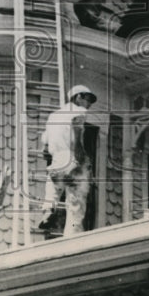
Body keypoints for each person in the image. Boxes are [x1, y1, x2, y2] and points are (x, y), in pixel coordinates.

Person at [38, 84, 97, 237]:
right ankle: (73, 232)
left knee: (53, 188)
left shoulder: (53, 116)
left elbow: (45, 146)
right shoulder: (79, 111)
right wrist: (79, 153)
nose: (89, 104)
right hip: (72, 156)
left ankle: (48, 210)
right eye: (88, 99)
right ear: (78, 97)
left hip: (57, 160)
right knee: (77, 199)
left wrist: (53, 157)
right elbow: (76, 128)